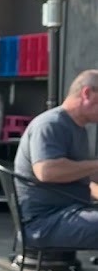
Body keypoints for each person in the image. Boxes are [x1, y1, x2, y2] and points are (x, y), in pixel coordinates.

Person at [13, 69, 98, 249]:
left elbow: (79, 177)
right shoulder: (50, 124)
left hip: (70, 212)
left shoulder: (78, 129)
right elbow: (47, 171)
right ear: (87, 94)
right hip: (45, 223)